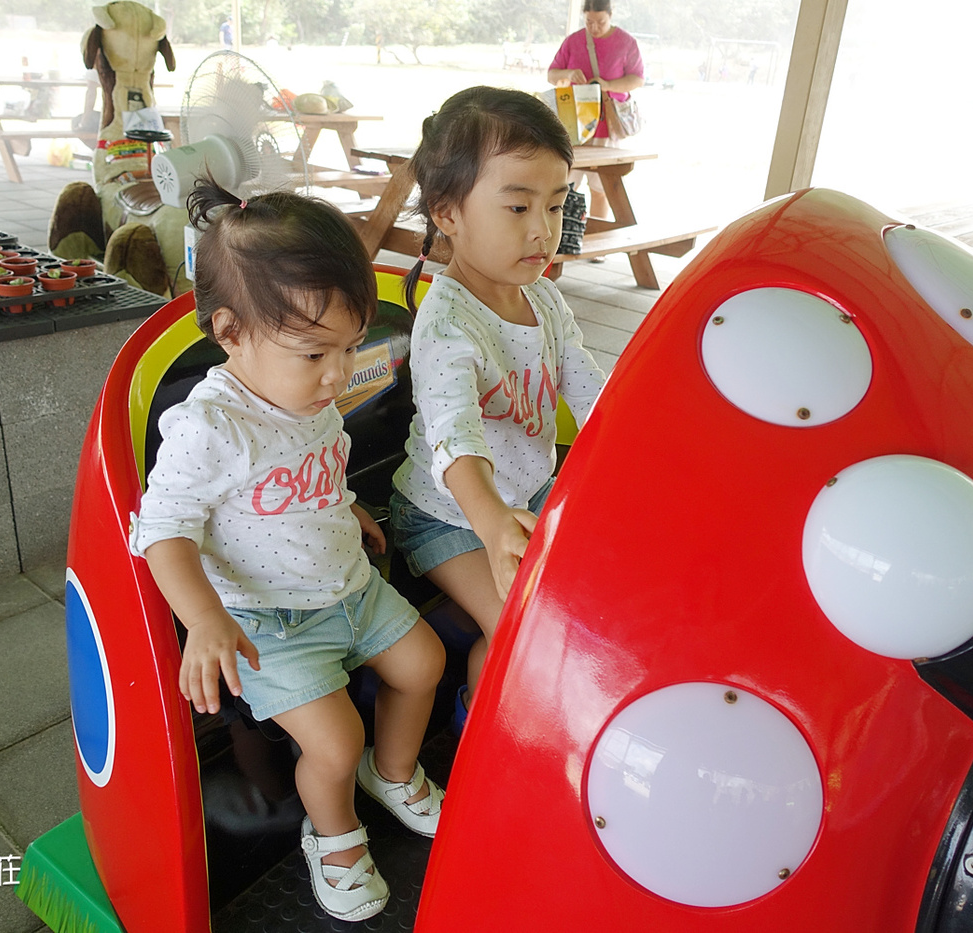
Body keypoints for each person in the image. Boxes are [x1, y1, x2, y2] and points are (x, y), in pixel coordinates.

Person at [130, 182, 445, 923]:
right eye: (314, 352)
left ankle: (392, 772)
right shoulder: (210, 424)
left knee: (423, 662)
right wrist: (204, 619)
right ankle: (333, 836)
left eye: (347, 347)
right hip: (267, 621)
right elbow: (163, 527)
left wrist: (349, 507)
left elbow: (318, 469)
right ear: (231, 331)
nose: (337, 374)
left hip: (348, 585)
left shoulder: (307, 396)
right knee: (334, 741)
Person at [390, 87, 608, 733]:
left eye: (556, 204)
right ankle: (485, 741)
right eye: (517, 206)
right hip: (449, 515)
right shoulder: (449, 323)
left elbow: (586, 382)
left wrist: (637, 440)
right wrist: (489, 523)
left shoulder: (539, 296)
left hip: (527, 491)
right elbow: (456, 438)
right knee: (519, 621)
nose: (542, 229)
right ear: (447, 212)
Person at [547, 0, 644, 224]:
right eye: (589, 22)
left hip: (606, 126)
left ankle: (597, 241)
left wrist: (607, 85)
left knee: (601, 186)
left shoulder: (626, 42)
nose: (594, 27)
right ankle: (563, 237)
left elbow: (637, 78)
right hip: (573, 125)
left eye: (600, 22)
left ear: (611, 15)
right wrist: (569, 74)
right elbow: (552, 75)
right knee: (565, 184)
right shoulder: (574, 41)